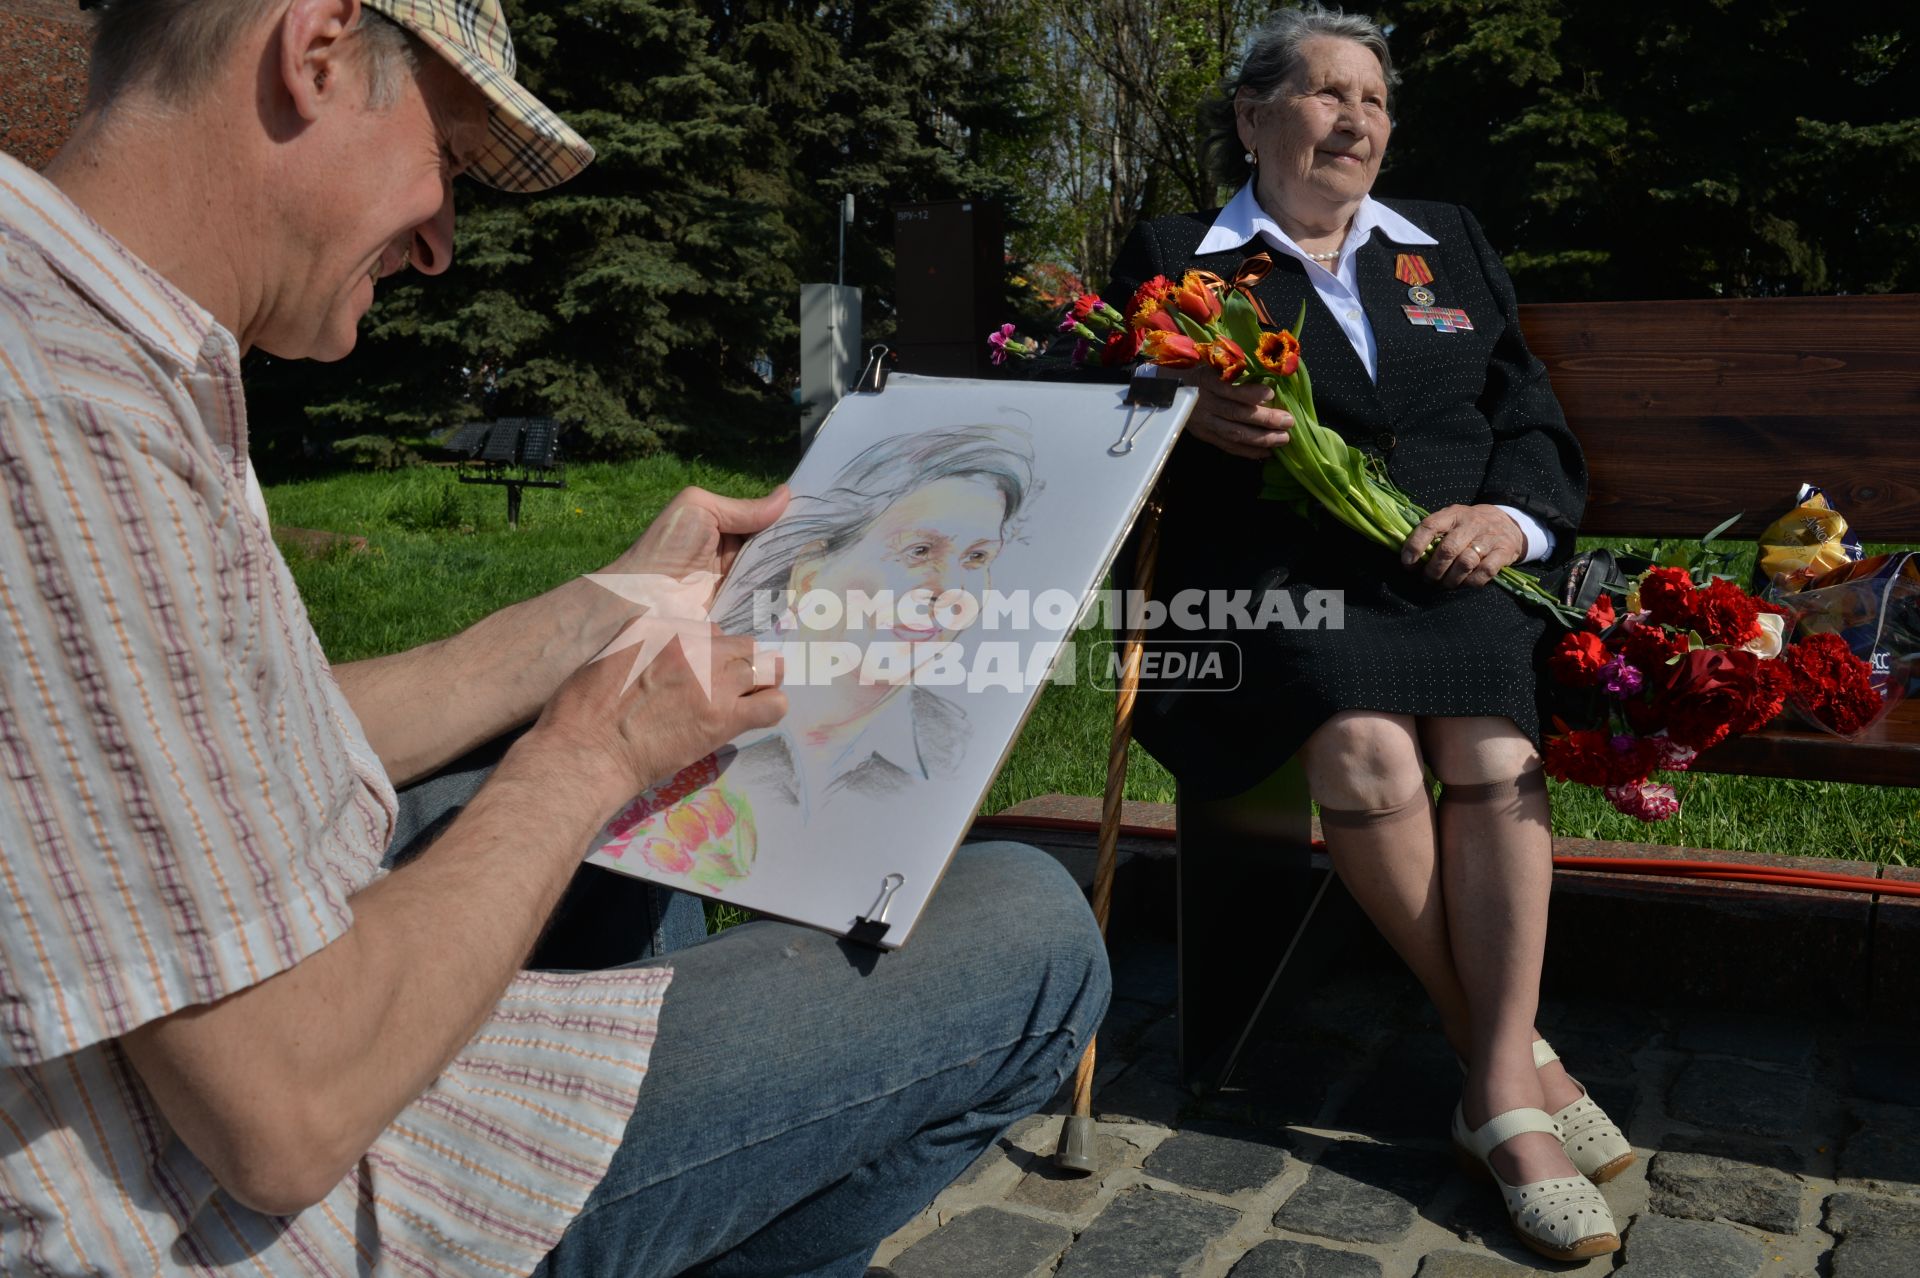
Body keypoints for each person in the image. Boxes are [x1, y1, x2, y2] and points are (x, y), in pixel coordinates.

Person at [0, 2, 1109, 1275]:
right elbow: (284, 1115)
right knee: (1033, 934)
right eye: (452, 166)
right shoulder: (59, 415)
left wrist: (607, 603)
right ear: (315, 54)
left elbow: (239, 721)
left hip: (226, 1049)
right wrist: (589, 753)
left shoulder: (94, 342)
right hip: (244, 1209)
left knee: (628, 852)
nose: (441, 245)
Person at [1104, 5, 1622, 1263]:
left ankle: (1491, 1079)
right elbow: (1101, 413)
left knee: (1495, 755)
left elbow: (1529, 417)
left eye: (1376, 100)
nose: (1357, 120)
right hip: (1273, 576)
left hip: (1448, 568)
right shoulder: (1184, 257)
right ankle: (1507, 1074)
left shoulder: (1442, 241)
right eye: (1328, 93)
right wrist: (1174, 412)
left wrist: (1510, 520)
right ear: (1251, 117)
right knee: (1366, 758)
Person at [601, 425, 1035, 888]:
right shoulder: (696, 717)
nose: (953, 591)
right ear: (809, 576)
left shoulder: (952, 746)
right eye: (920, 550)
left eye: (977, 558)